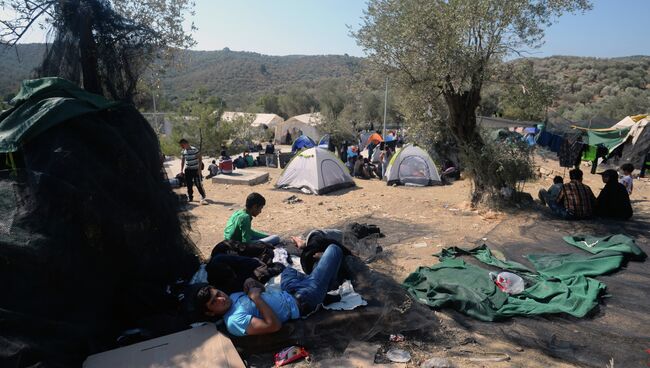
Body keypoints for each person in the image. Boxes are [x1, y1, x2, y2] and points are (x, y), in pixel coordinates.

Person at [195, 244, 345, 336]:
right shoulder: (234, 321)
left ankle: (322, 287)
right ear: (210, 312)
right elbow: (273, 326)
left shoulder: (232, 296)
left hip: (288, 290)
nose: (221, 298)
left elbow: (261, 291)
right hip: (302, 300)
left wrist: (254, 284)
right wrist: (256, 298)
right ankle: (325, 287)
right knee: (334, 250)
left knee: (287, 270)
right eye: (214, 302)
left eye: (218, 294)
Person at [179, 138, 207, 204]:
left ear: (186, 143)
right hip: (188, 170)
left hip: (195, 170)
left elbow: (200, 159)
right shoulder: (183, 151)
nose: (182, 147)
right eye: (181, 146)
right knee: (189, 184)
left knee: (198, 183)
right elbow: (183, 161)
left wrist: (199, 170)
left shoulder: (194, 150)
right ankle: (190, 197)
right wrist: (181, 170)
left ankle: (203, 196)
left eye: (182, 145)